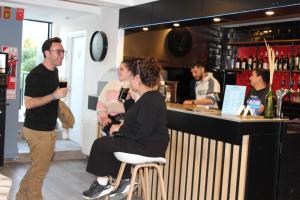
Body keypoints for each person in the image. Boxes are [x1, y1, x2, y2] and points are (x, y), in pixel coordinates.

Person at [82, 58, 169, 200]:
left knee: (101, 144)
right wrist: (120, 129)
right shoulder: (148, 97)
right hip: (146, 142)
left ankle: (104, 183)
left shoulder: (150, 99)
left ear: (137, 78)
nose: (129, 81)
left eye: (131, 78)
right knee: (110, 142)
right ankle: (124, 180)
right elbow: (139, 124)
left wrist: (120, 130)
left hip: (148, 146)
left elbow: (143, 130)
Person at [16, 37, 68, 200]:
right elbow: (29, 103)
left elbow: (50, 98)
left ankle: (21, 197)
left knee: (37, 168)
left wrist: (58, 98)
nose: (62, 54)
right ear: (47, 53)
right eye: (58, 51)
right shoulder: (35, 75)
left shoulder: (55, 71)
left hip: (48, 128)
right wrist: (54, 95)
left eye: (63, 51)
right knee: (39, 172)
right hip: (37, 130)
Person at [96, 60, 135, 135]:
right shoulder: (111, 84)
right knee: (112, 132)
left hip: (128, 121)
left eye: (121, 69)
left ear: (130, 72)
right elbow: (101, 103)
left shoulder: (135, 86)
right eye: (118, 69)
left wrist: (130, 96)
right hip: (111, 119)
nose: (118, 71)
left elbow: (138, 106)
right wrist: (103, 117)